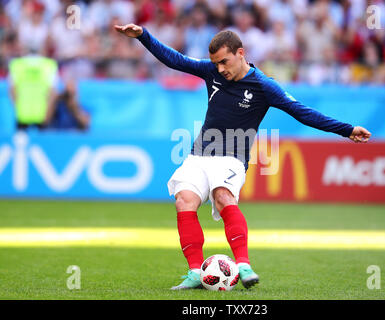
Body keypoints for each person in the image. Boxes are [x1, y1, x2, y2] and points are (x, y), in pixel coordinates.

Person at [115, 23, 371, 290]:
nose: (220, 69)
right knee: (184, 200)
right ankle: (195, 273)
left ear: (240, 53)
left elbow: (302, 112)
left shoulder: (263, 86)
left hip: (232, 156)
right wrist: (143, 36)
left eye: (224, 62)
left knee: (223, 196)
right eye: (216, 63)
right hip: (199, 152)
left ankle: (244, 265)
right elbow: (175, 59)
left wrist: (347, 129)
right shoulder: (211, 71)